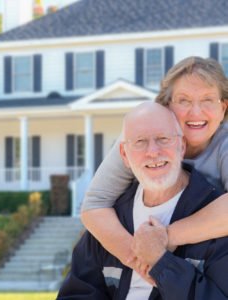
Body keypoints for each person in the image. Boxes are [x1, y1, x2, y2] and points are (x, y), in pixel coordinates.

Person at [57, 103, 228, 299]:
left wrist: (161, 263)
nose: (153, 152)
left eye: (163, 139)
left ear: (181, 147)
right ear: (124, 155)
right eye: (140, 141)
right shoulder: (110, 222)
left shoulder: (216, 222)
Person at [81, 56, 228, 268]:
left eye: (207, 100)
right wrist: (140, 260)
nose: (196, 112)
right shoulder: (139, 138)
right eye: (184, 100)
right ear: (167, 105)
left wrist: (166, 237)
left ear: (223, 107)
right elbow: (94, 204)